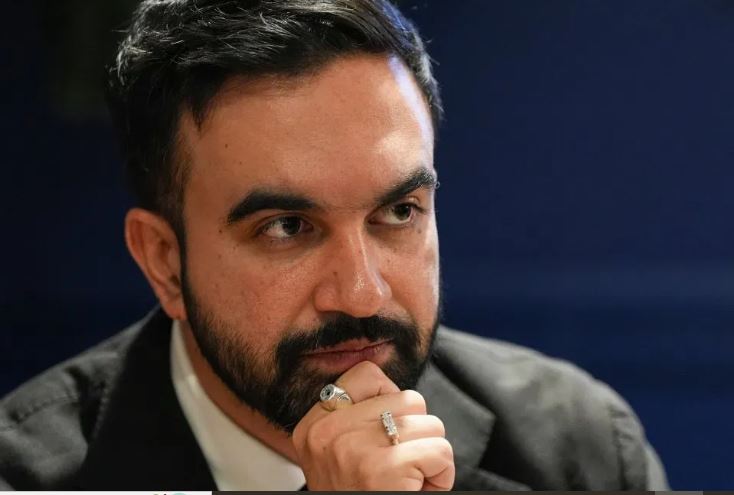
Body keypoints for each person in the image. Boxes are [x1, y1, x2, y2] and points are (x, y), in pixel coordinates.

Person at [0, 0, 668, 490]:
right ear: (164, 263)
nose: (362, 294)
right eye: (286, 227)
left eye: (399, 211)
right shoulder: (23, 475)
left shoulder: (579, 449)